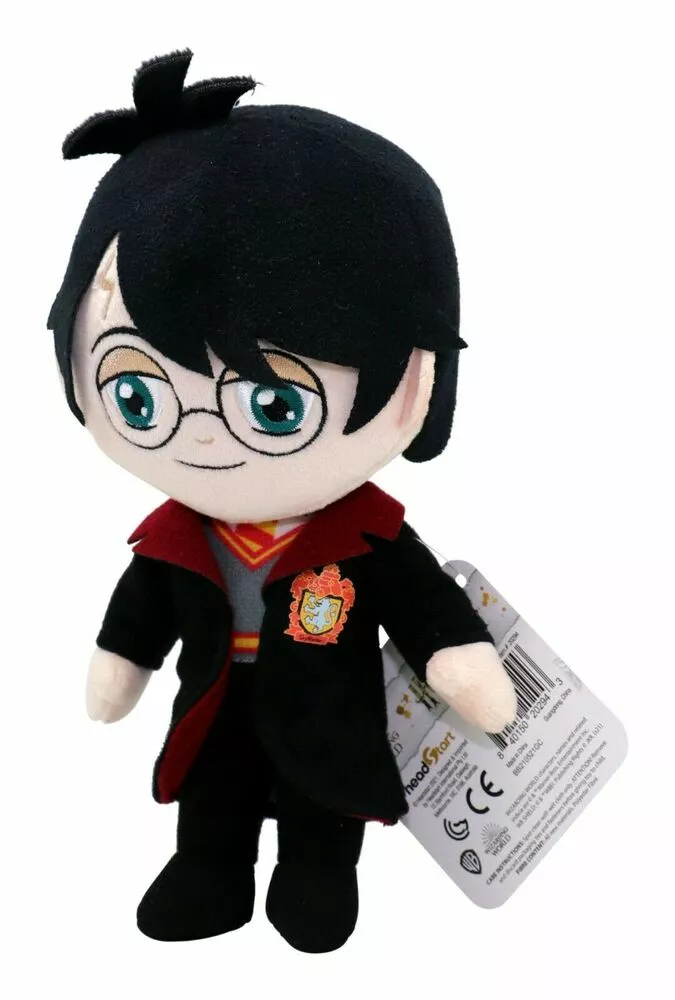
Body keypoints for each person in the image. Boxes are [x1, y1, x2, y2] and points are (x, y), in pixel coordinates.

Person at [50, 49, 517, 953]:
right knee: (210, 794)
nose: (199, 439)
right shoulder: (171, 538)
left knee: (321, 806)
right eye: (138, 395)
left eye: (272, 404)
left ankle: (315, 873)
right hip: (214, 704)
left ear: (417, 380)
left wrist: (458, 659)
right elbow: (141, 610)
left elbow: (426, 610)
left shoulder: (369, 538)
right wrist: (123, 658)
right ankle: (209, 870)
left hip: (326, 721)